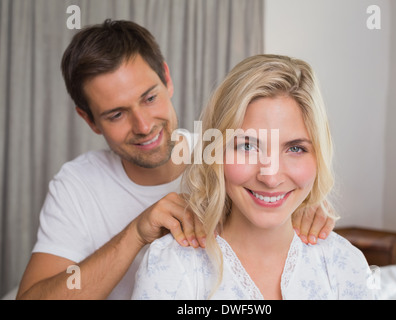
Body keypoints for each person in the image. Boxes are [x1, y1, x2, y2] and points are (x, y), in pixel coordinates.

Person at [16, 20, 333, 300]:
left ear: (166, 78)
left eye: (149, 97)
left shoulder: (226, 156)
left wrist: (299, 206)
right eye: (116, 114)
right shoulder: (77, 186)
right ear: (89, 120)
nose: (143, 126)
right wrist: (136, 233)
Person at [132, 54, 375, 300]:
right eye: (247, 147)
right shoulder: (171, 266)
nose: (270, 178)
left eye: (295, 148)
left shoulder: (345, 265)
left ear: (318, 157)